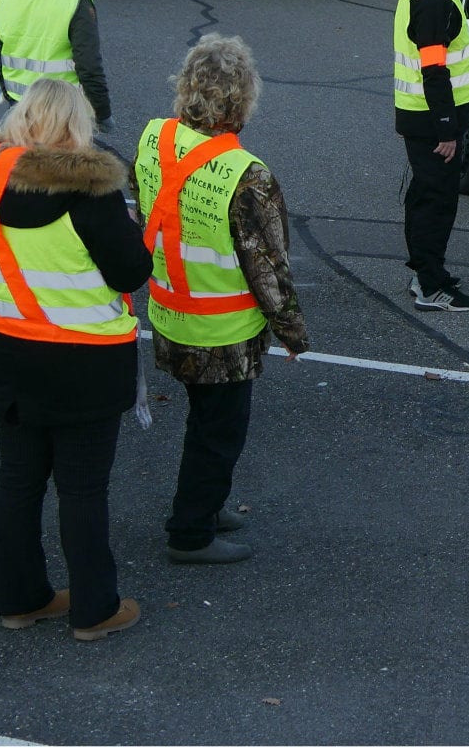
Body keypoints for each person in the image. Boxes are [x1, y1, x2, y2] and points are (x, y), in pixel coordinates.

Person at [0, 81, 145, 640]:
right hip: (84, 366)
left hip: (7, 354)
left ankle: (19, 598)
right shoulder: (91, 194)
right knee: (83, 490)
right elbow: (130, 272)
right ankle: (95, 608)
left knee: (18, 481)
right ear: (78, 127)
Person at [137, 35, 311, 563]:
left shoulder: (155, 139)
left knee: (203, 420)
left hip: (169, 312)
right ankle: (190, 531)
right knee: (220, 432)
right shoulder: (248, 176)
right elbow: (269, 268)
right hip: (223, 330)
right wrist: (292, 333)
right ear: (242, 98)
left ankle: (208, 504)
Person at [396, 0, 469, 312]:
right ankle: (431, 286)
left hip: (422, 118)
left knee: (425, 197)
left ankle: (426, 272)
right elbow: (434, 71)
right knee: (437, 202)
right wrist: (448, 129)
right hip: (433, 123)